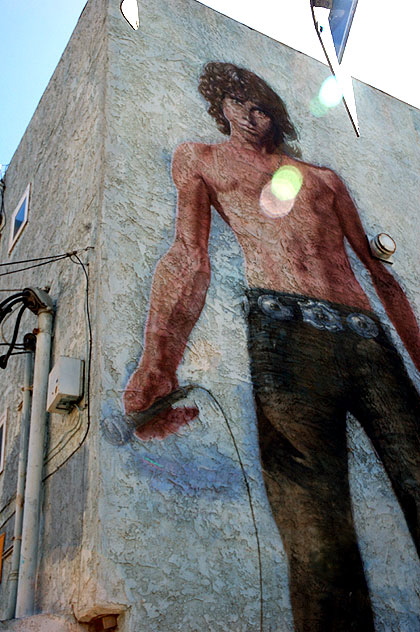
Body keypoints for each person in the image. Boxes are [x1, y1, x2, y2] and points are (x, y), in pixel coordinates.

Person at [124, 62, 420, 631]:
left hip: (367, 341)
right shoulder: (203, 160)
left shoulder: (324, 179)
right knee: (316, 537)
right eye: (237, 102)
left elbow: (383, 280)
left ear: (275, 114)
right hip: (286, 340)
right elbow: (189, 258)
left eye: (260, 105)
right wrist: (157, 363)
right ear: (222, 107)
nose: (250, 114)